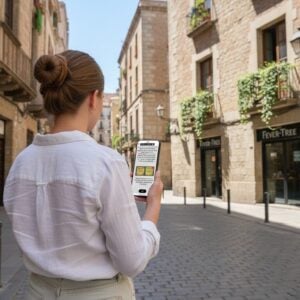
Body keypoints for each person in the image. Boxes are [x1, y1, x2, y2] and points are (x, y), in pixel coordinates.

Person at [3, 50, 163, 300]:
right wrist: (153, 208)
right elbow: (131, 262)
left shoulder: (20, 164)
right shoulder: (107, 162)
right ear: (93, 98)